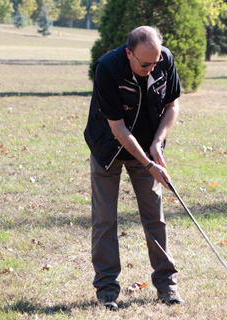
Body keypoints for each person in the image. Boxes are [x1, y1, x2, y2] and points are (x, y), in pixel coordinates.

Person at [83, 26, 183, 311]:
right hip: (109, 148)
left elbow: (172, 105)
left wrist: (157, 144)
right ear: (129, 53)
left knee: (155, 217)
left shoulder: (163, 59)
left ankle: (167, 287)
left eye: (156, 61)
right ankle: (106, 291)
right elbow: (117, 128)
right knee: (104, 219)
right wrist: (149, 163)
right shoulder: (107, 69)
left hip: (147, 145)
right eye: (145, 63)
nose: (152, 67)